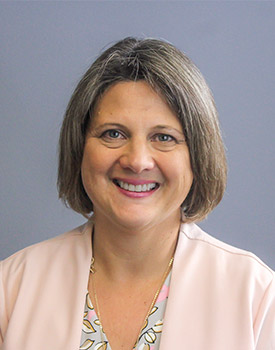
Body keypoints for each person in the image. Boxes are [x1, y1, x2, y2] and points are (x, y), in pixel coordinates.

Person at [0, 37, 274, 350]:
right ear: (79, 148)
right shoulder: (10, 290)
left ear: (198, 156)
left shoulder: (257, 297)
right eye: (113, 134)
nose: (137, 161)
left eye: (164, 137)